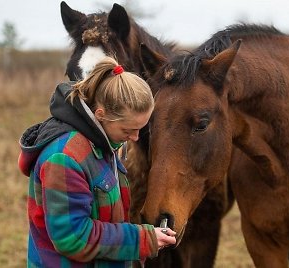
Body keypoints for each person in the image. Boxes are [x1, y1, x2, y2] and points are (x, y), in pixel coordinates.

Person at [18, 56, 176, 267]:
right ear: (101, 115)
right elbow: (73, 238)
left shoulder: (103, 141)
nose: (136, 138)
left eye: (141, 129)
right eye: (128, 130)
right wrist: (141, 239)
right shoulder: (64, 159)